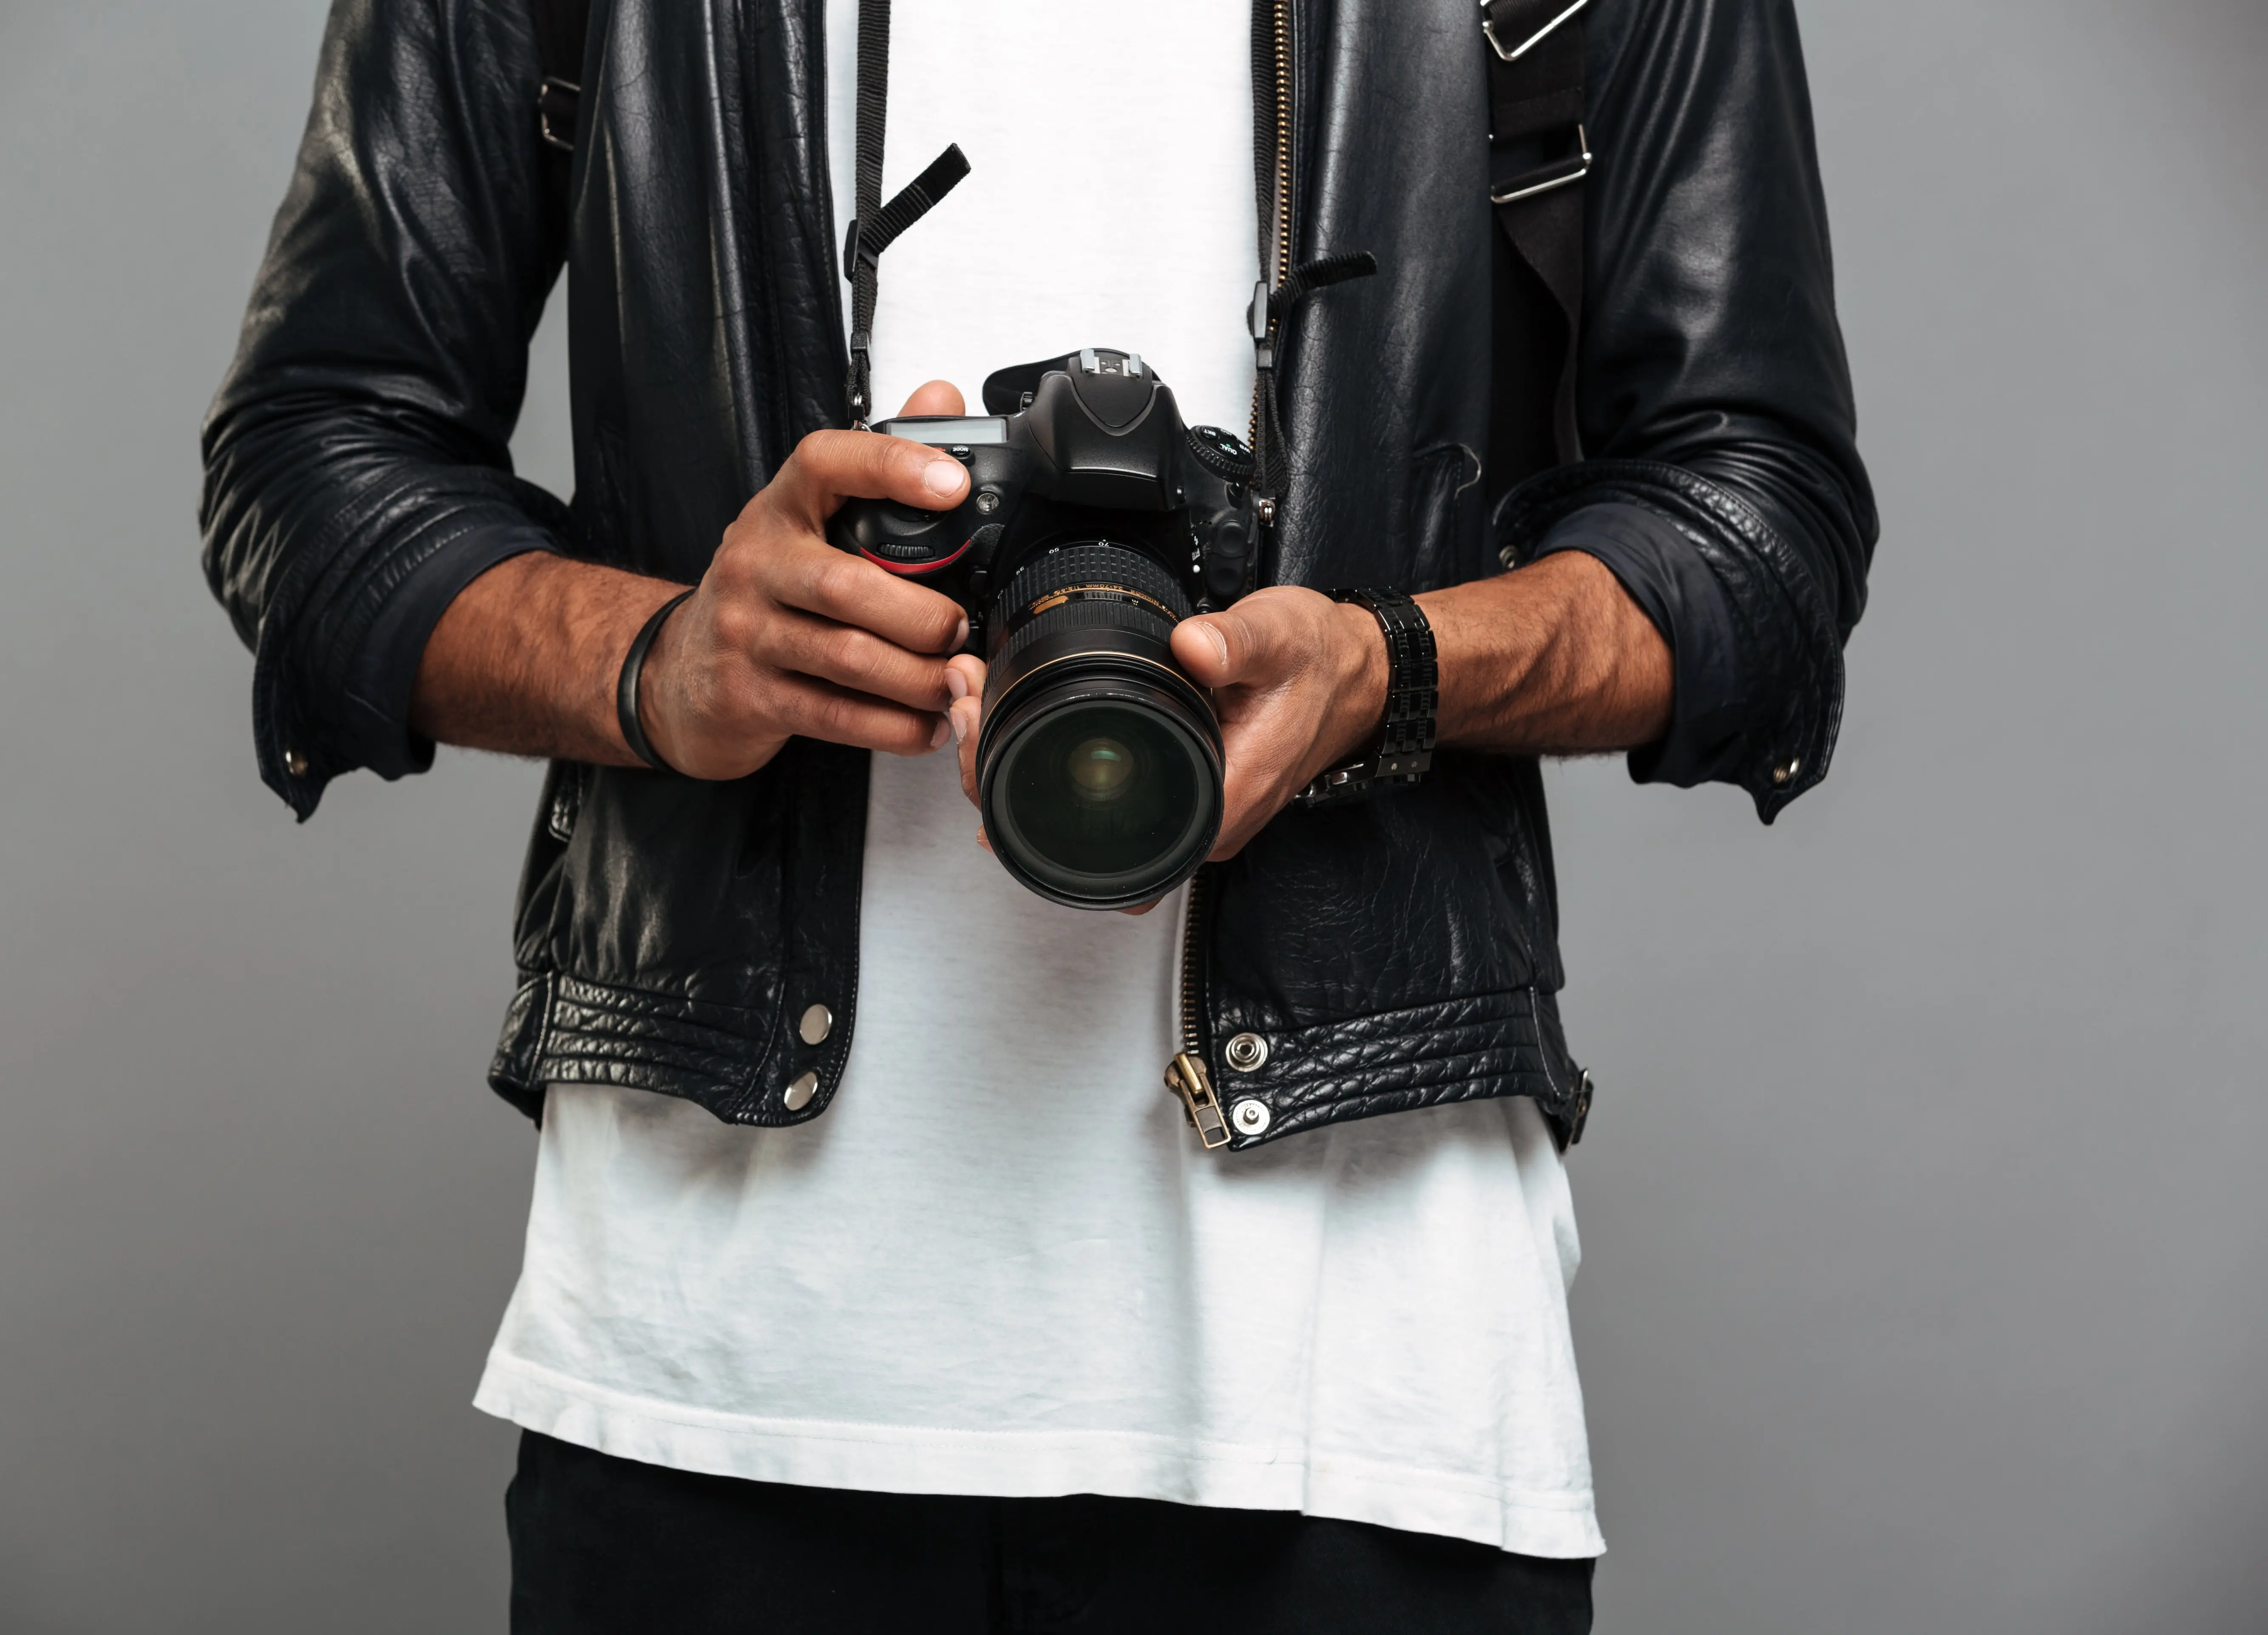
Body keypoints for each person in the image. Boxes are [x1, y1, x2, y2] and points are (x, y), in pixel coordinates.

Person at [201, 0, 1873, 1627]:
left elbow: (1761, 527)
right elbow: (310, 461)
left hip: (1363, 1397)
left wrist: (1387, 668)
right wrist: (662, 662)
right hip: (712, 1387)